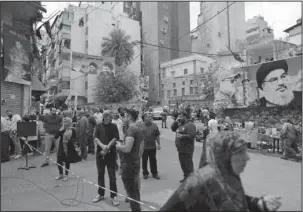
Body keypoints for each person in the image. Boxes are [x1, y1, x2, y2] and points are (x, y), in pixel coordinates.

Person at [161, 131, 282, 211]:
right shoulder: (200, 182)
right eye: (240, 153)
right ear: (225, 156)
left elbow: (231, 198)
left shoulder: (228, 175)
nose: (247, 157)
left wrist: (258, 203)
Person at [116, 109, 144, 211]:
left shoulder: (131, 130)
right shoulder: (137, 128)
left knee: (131, 191)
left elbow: (127, 149)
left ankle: (135, 209)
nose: (123, 118)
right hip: (134, 162)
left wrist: (119, 146)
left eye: (124, 116)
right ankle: (137, 208)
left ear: (129, 117)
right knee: (135, 190)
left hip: (129, 164)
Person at [92, 112, 120, 206]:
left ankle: (114, 195)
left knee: (112, 175)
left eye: (111, 117)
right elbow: (95, 138)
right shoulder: (98, 126)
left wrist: (107, 147)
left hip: (111, 153)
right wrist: (102, 146)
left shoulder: (113, 126)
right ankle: (100, 194)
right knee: (100, 174)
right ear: (104, 117)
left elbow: (115, 138)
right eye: (109, 116)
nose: (110, 118)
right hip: (100, 153)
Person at [171, 110, 196, 183]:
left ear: (185, 117)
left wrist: (182, 136)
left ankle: (191, 180)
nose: (179, 117)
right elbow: (173, 129)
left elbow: (192, 135)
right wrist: (175, 121)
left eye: (181, 116)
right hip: (180, 148)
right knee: (183, 164)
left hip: (187, 149)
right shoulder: (180, 124)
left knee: (188, 165)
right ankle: (186, 177)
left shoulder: (190, 125)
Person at [54, 117, 82, 181]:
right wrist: (59, 131)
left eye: (66, 122)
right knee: (59, 160)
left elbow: (75, 139)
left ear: (69, 123)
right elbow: (56, 137)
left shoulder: (73, 130)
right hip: (61, 146)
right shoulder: (62, 129)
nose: (64, 123)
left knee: (67, 161)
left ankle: (66, 175)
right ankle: (60, 174)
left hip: (69, 147)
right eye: (64, 122)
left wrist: (69, 141)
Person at [142, 112, 161, 180]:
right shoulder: (141, 126)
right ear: (144, 118)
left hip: (153, 146)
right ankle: (145, 173)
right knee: (144, 160)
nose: (150, 118)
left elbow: (157, 135)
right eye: (148, 117)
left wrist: (159, 144)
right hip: (144, 147)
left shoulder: (155, 125)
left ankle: (154, 173)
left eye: (150, 116)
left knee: (153, 160)